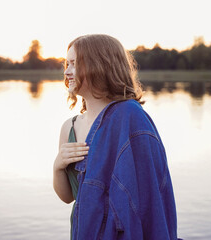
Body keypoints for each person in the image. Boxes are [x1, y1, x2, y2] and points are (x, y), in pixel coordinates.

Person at [53, 34, 180, 240]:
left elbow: (149, 200)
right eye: (66, 64)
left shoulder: (130, 118)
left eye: (74, 64)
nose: (66, 71)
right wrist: (58, 166)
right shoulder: (69, 127)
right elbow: (68, 197)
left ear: (100, 66)